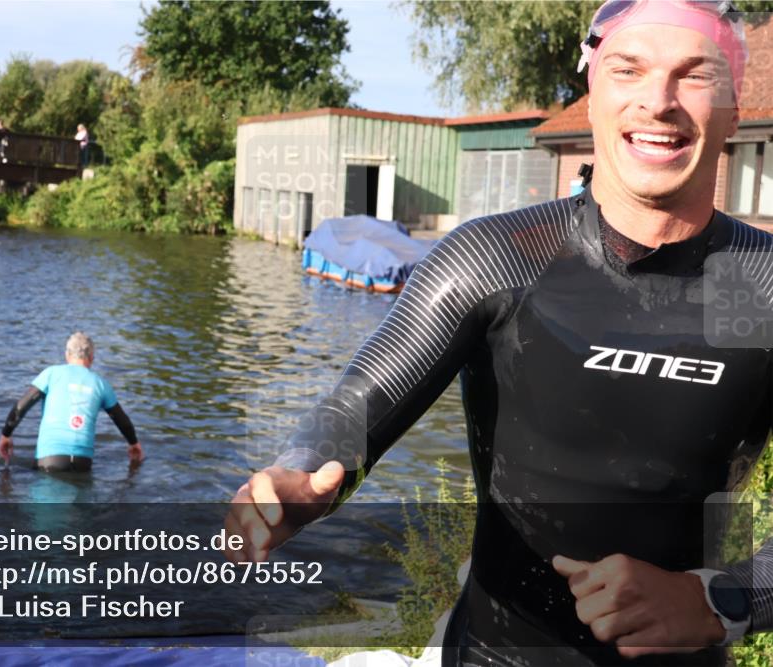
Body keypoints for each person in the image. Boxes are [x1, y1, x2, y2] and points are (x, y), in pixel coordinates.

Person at [227, 2, 771, 666]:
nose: (657, 102)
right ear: (593, 94)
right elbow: (354, 410)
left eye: (695, 76)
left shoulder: (761, 286)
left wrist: (720, 600)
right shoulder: (501, 256)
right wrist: (299, 475)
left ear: (733, 114)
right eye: (628, 69)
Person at [0, 332, 143, 472]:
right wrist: (133, 443)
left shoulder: (51, 373)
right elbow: (121, 420)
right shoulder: (101, 383)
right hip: (83, 462)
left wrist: (6, 435)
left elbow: (22, 406)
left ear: (67, 355)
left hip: (49, 459)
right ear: (92, 357)